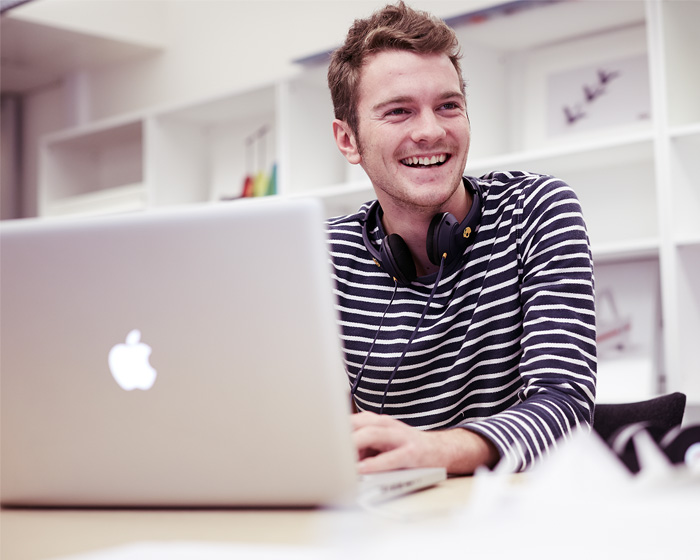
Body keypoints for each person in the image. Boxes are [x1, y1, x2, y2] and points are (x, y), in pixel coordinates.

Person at [325, 1, 596, 475]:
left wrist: (437, 452)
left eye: (448, 106)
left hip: (507, 517)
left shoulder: (537, 209)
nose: (431, 131)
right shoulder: (321, 257)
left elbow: (566, 404)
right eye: (399, 111)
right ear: (348, 140)